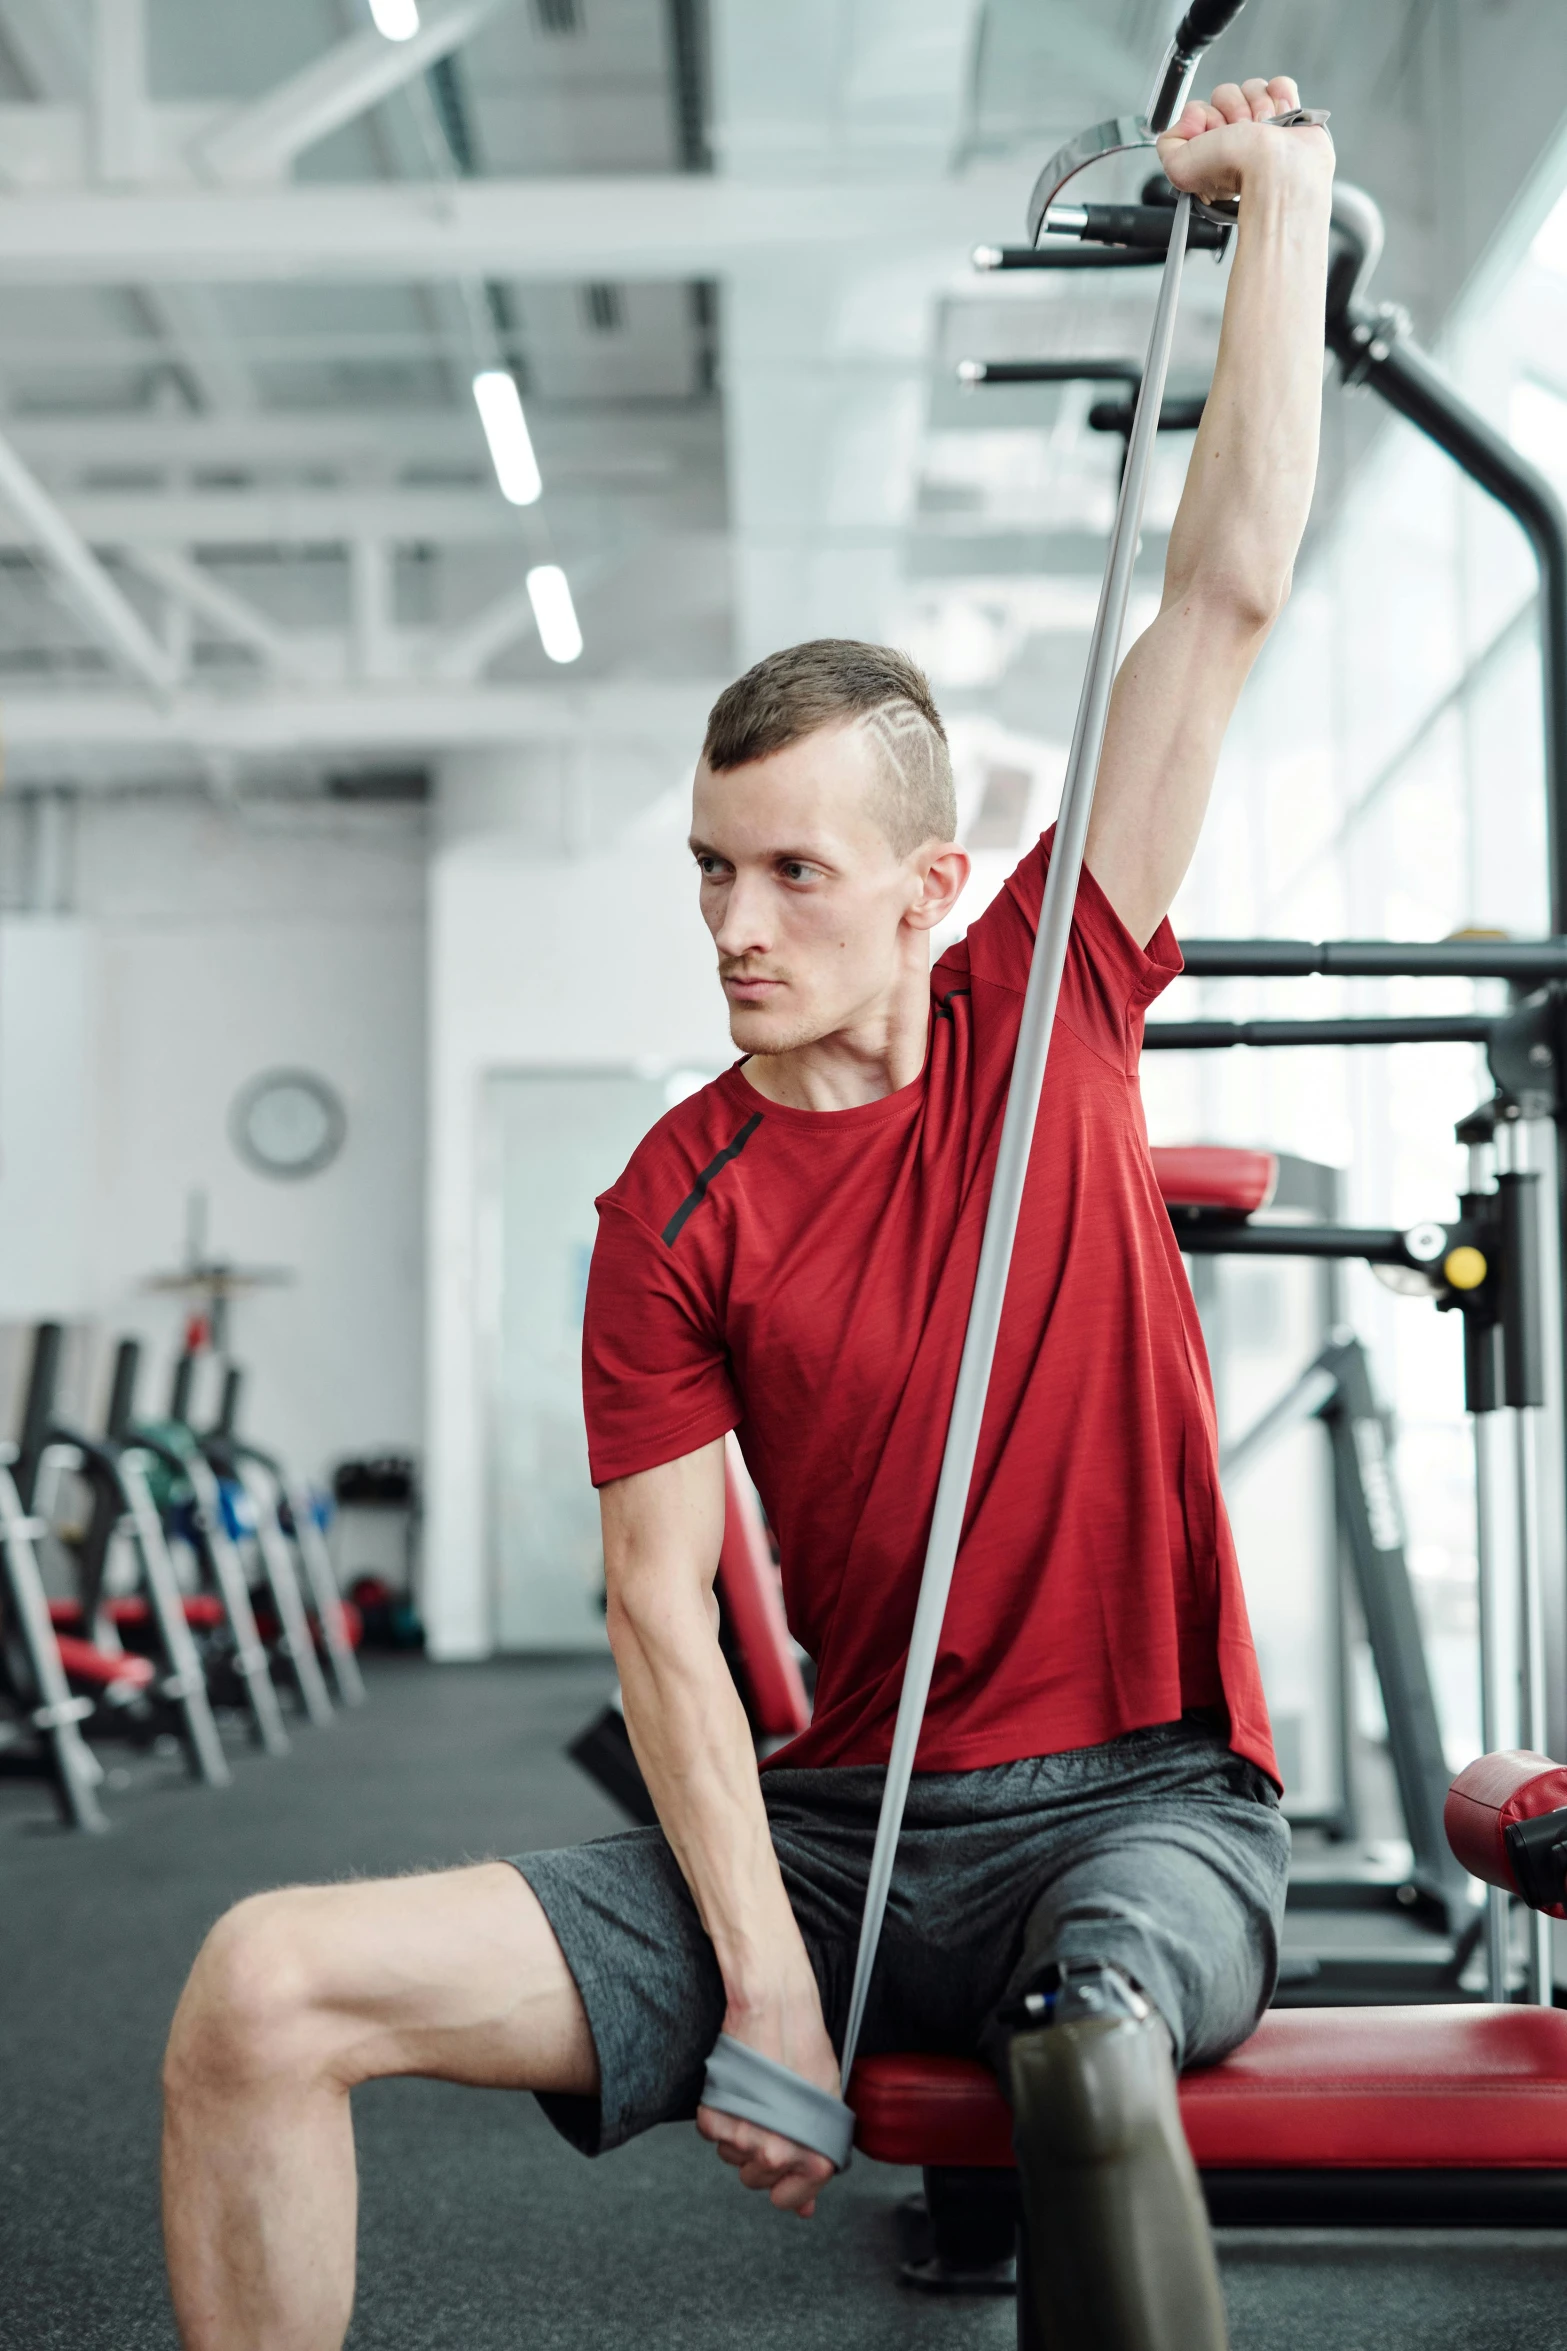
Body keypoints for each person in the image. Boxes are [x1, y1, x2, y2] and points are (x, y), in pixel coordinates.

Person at [161, 79, 1334, 2351]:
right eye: (712, 865)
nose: (738, 919)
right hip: (832, 1840)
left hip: (1143, 1819)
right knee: (256, 1984)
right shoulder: (672, 1198)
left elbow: (1231, 581)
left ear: (925, 887)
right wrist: (773, 1980)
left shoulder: (1049, 1001)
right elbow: (663, 1627)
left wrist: (1275, 204)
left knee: (1089, 2064)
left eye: (795, 870)